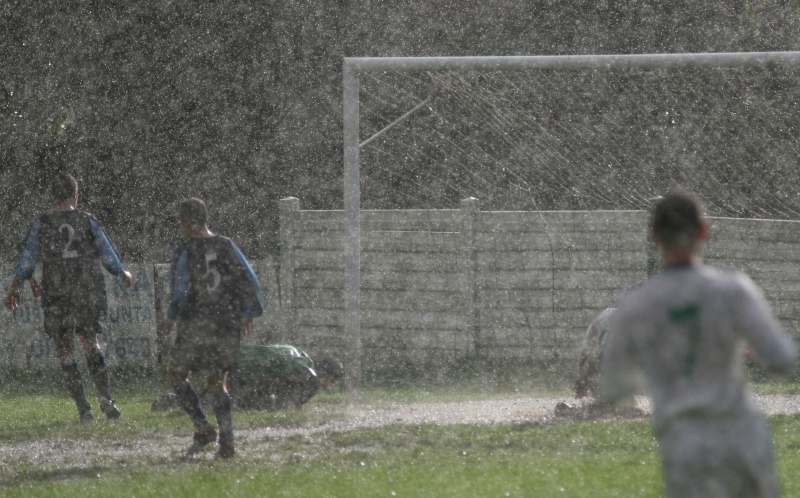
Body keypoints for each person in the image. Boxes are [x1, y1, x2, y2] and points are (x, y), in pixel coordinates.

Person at [599, 189, 797, 498]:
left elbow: (613, 386)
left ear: (654, 236)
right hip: (742, 434)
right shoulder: (733, 291)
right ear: (704, 231)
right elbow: (781, 359)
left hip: (685, 443)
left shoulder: (636, 306)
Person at [3, 172, 133, 422]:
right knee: (90, 341)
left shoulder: (42, 223)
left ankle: (84, 408)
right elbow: (107, 253)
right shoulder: (88, 220)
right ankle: (105, 398)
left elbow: (28, 259)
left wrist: (15, 287)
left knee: (65, 349)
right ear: (76, 194)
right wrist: (121, 272)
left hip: (57, 291)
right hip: (86, 289)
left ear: (53, 196)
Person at [165, 197, 265, 458]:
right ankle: (228, 441)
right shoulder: (226, 245)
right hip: (225, 323)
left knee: (176, 373)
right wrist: (249, 311)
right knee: (218, 382)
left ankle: (203, 427)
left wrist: (171, 316)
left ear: (187, 221)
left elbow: (181, 290)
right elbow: (248, 277)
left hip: (196, 325)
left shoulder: (185, 250)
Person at [150, 345, 344, 412]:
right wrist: (271, 403)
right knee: (219, 404)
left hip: (240, 359)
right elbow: (286, 408)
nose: (329, 386)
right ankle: (175, 402)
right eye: (332, 381)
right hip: (249, 377)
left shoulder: (297, 353)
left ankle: (174, 399)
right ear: (326, 375)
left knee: (211, 395)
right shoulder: (310, 378)